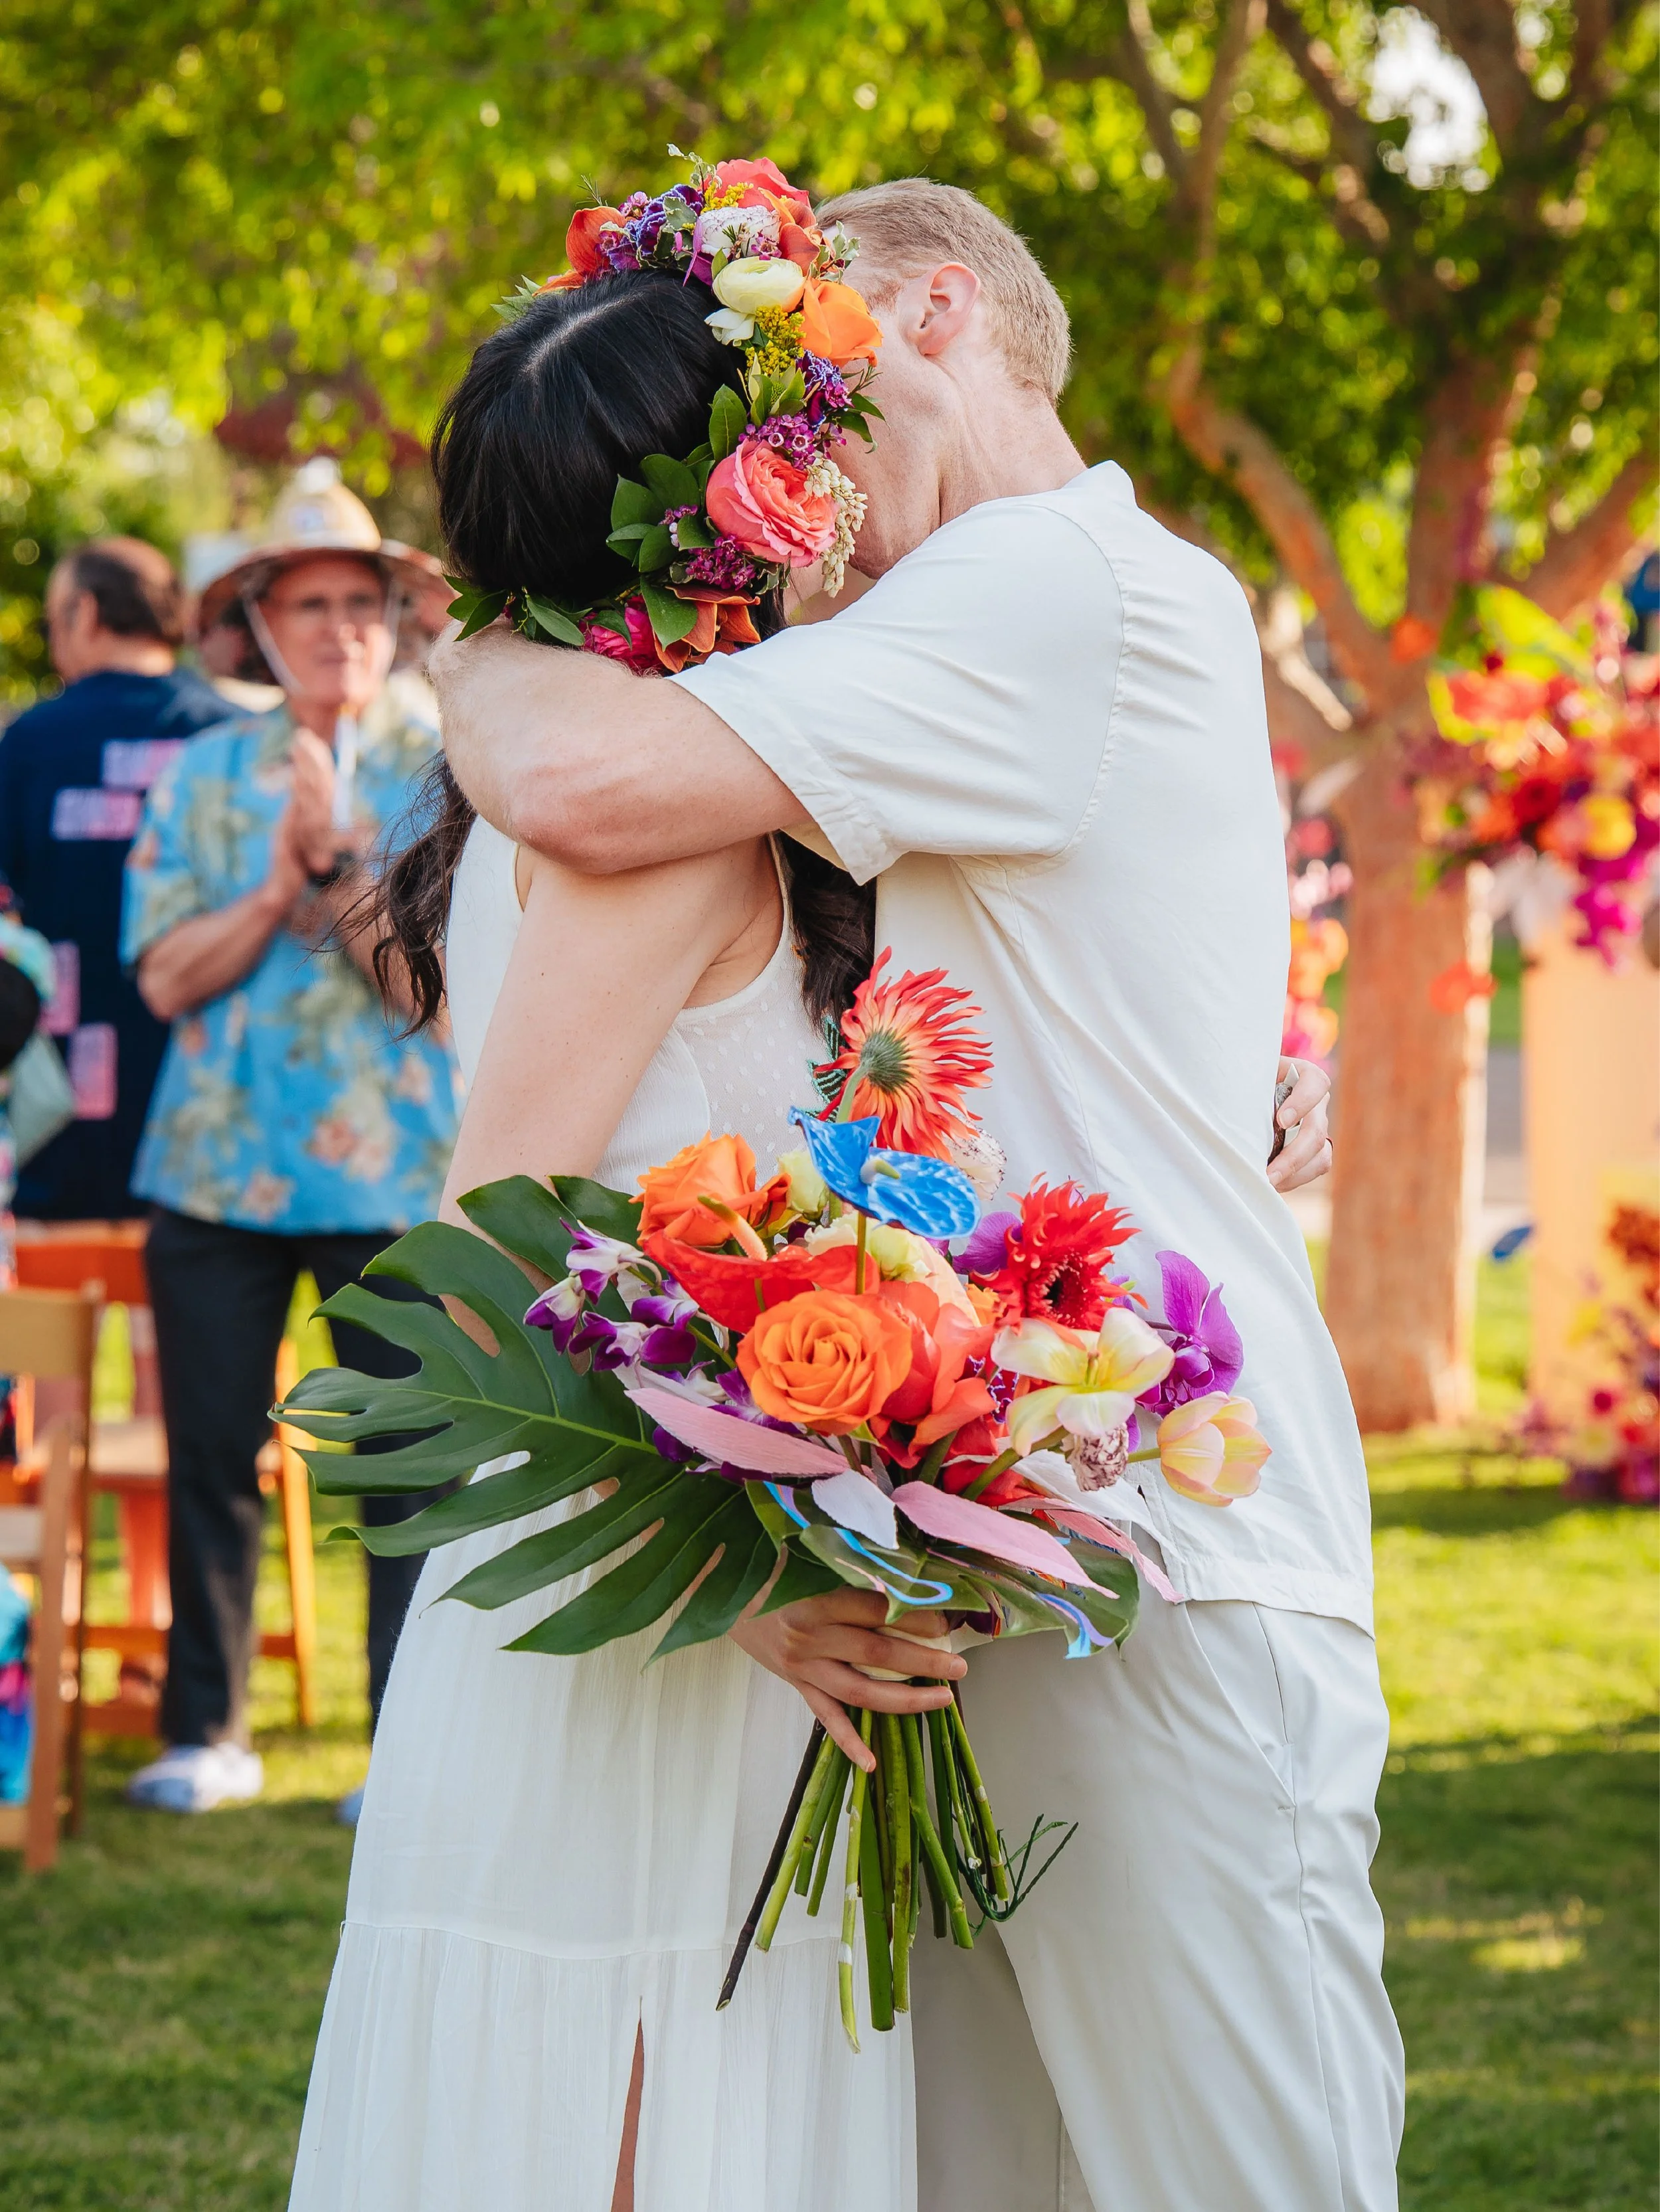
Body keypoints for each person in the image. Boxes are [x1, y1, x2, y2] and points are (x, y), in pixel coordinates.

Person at [288, 200, 1338, 2212]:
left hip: (751, 1614)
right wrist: (736, 1580)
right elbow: (481, 1258)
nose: (828, 503)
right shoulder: (651, 838)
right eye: (793, 450)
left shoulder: (712, 786)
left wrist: (1214, 1099)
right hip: (663, 1622)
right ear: (718, 521)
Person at [118, 479, 461, 1817]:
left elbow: (435, 988)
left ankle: (408, 1744)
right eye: (305, 603)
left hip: (394, 1173)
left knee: (406, 1461)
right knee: (208, 1449)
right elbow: (161, 981)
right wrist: (271, 887)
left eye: (357, 604)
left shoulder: (451, 769)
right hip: (212, 1169)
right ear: (257, 624)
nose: (335, 629)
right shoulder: (200, 773)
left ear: (393, 621)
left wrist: (336, 877)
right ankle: (203, 1729)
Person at [0, 540, 230, 1222]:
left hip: (66, 1104)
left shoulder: (28, 744)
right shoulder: (233, 736)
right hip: (207, 1112)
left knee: (54, 1320)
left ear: (86, 611)